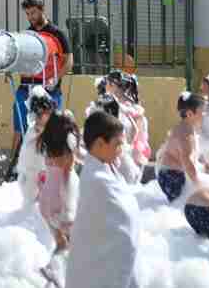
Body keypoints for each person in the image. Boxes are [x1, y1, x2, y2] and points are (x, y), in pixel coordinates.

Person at [67, 110, 140, 288]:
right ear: (100, 143)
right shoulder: (96, 180)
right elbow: (123, 219)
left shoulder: (105, 167)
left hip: (105, 262)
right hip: (96, 266)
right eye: (117, 144)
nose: (121, 151)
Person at [8, 0, 72, 181]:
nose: (30, 17)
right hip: (26, 86)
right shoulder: (28, 35)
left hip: (49, 90)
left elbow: (68, 62)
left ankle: (51, 167)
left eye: (33, 12)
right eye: (27, 13)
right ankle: (15, 166)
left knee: (50, 128)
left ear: (42, 10)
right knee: (20, 126)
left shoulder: (57, 33)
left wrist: (55, 79)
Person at [36, 111, 80, 288]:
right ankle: (59, 272)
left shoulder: (48, 149)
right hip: (61, 202)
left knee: (61, 242)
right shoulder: (67, 154)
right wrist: (69, 208)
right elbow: (67, 179)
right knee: (73, 243)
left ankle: (53, 272)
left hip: (45, 202)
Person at [156, 92, 205, 203]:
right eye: (202, 112)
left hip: (171, 174)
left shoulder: (186, 127)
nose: (204, 115)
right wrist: (198, 184)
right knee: (180, 206)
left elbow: (191, 156)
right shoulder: (185, 133)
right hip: (172, 177)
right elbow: (186, 160)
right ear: (189, 114)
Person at [102, 71, 150, 181]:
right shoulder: (135, 107)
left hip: (122, 158)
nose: (105, 86)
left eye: (107, 83)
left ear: (113, 85)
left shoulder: (114, 107)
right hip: (135, 156)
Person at [19, 87, 56, 205]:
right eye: (47, 112)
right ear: (38, 114)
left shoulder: (45, 129)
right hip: (33, 176)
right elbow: (27, 158)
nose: (51, 114)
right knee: (33, 204)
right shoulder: (34, 131)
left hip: (41, 174)